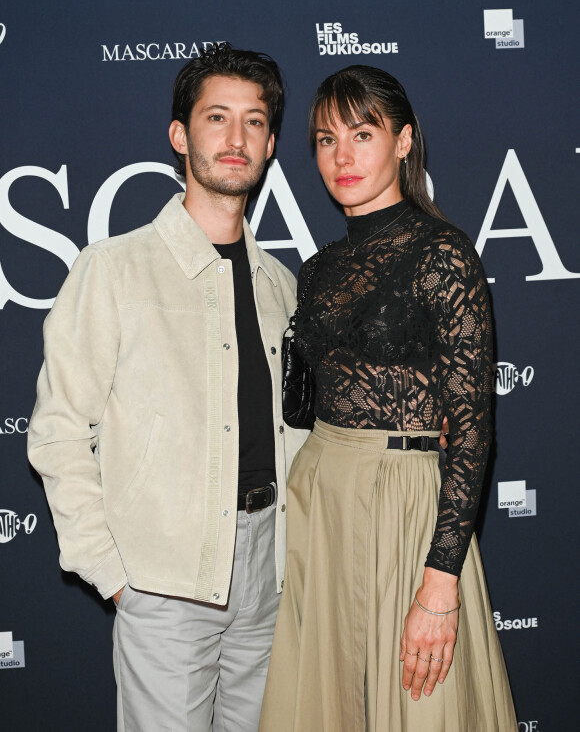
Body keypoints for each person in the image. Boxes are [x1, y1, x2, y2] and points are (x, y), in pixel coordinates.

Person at [28, 43, 307, 732]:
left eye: (253, 121)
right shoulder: (114, 270)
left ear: (271, 143)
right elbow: (58, 430)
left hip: (270, 573)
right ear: (181, 135)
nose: (235, 138)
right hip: (163, 583)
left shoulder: (281, 285)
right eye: (217, 118)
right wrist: (115, 574)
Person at [259, 65, 517, 732]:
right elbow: (302, 405)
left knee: (418, 701)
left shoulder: (445, 255)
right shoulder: (317, 271)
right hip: (324, 501)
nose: (340, 156)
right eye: (323, 139)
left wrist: (440, 580)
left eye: (362, 133)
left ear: (403, 141)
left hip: (406, 508)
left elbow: (471, 430)